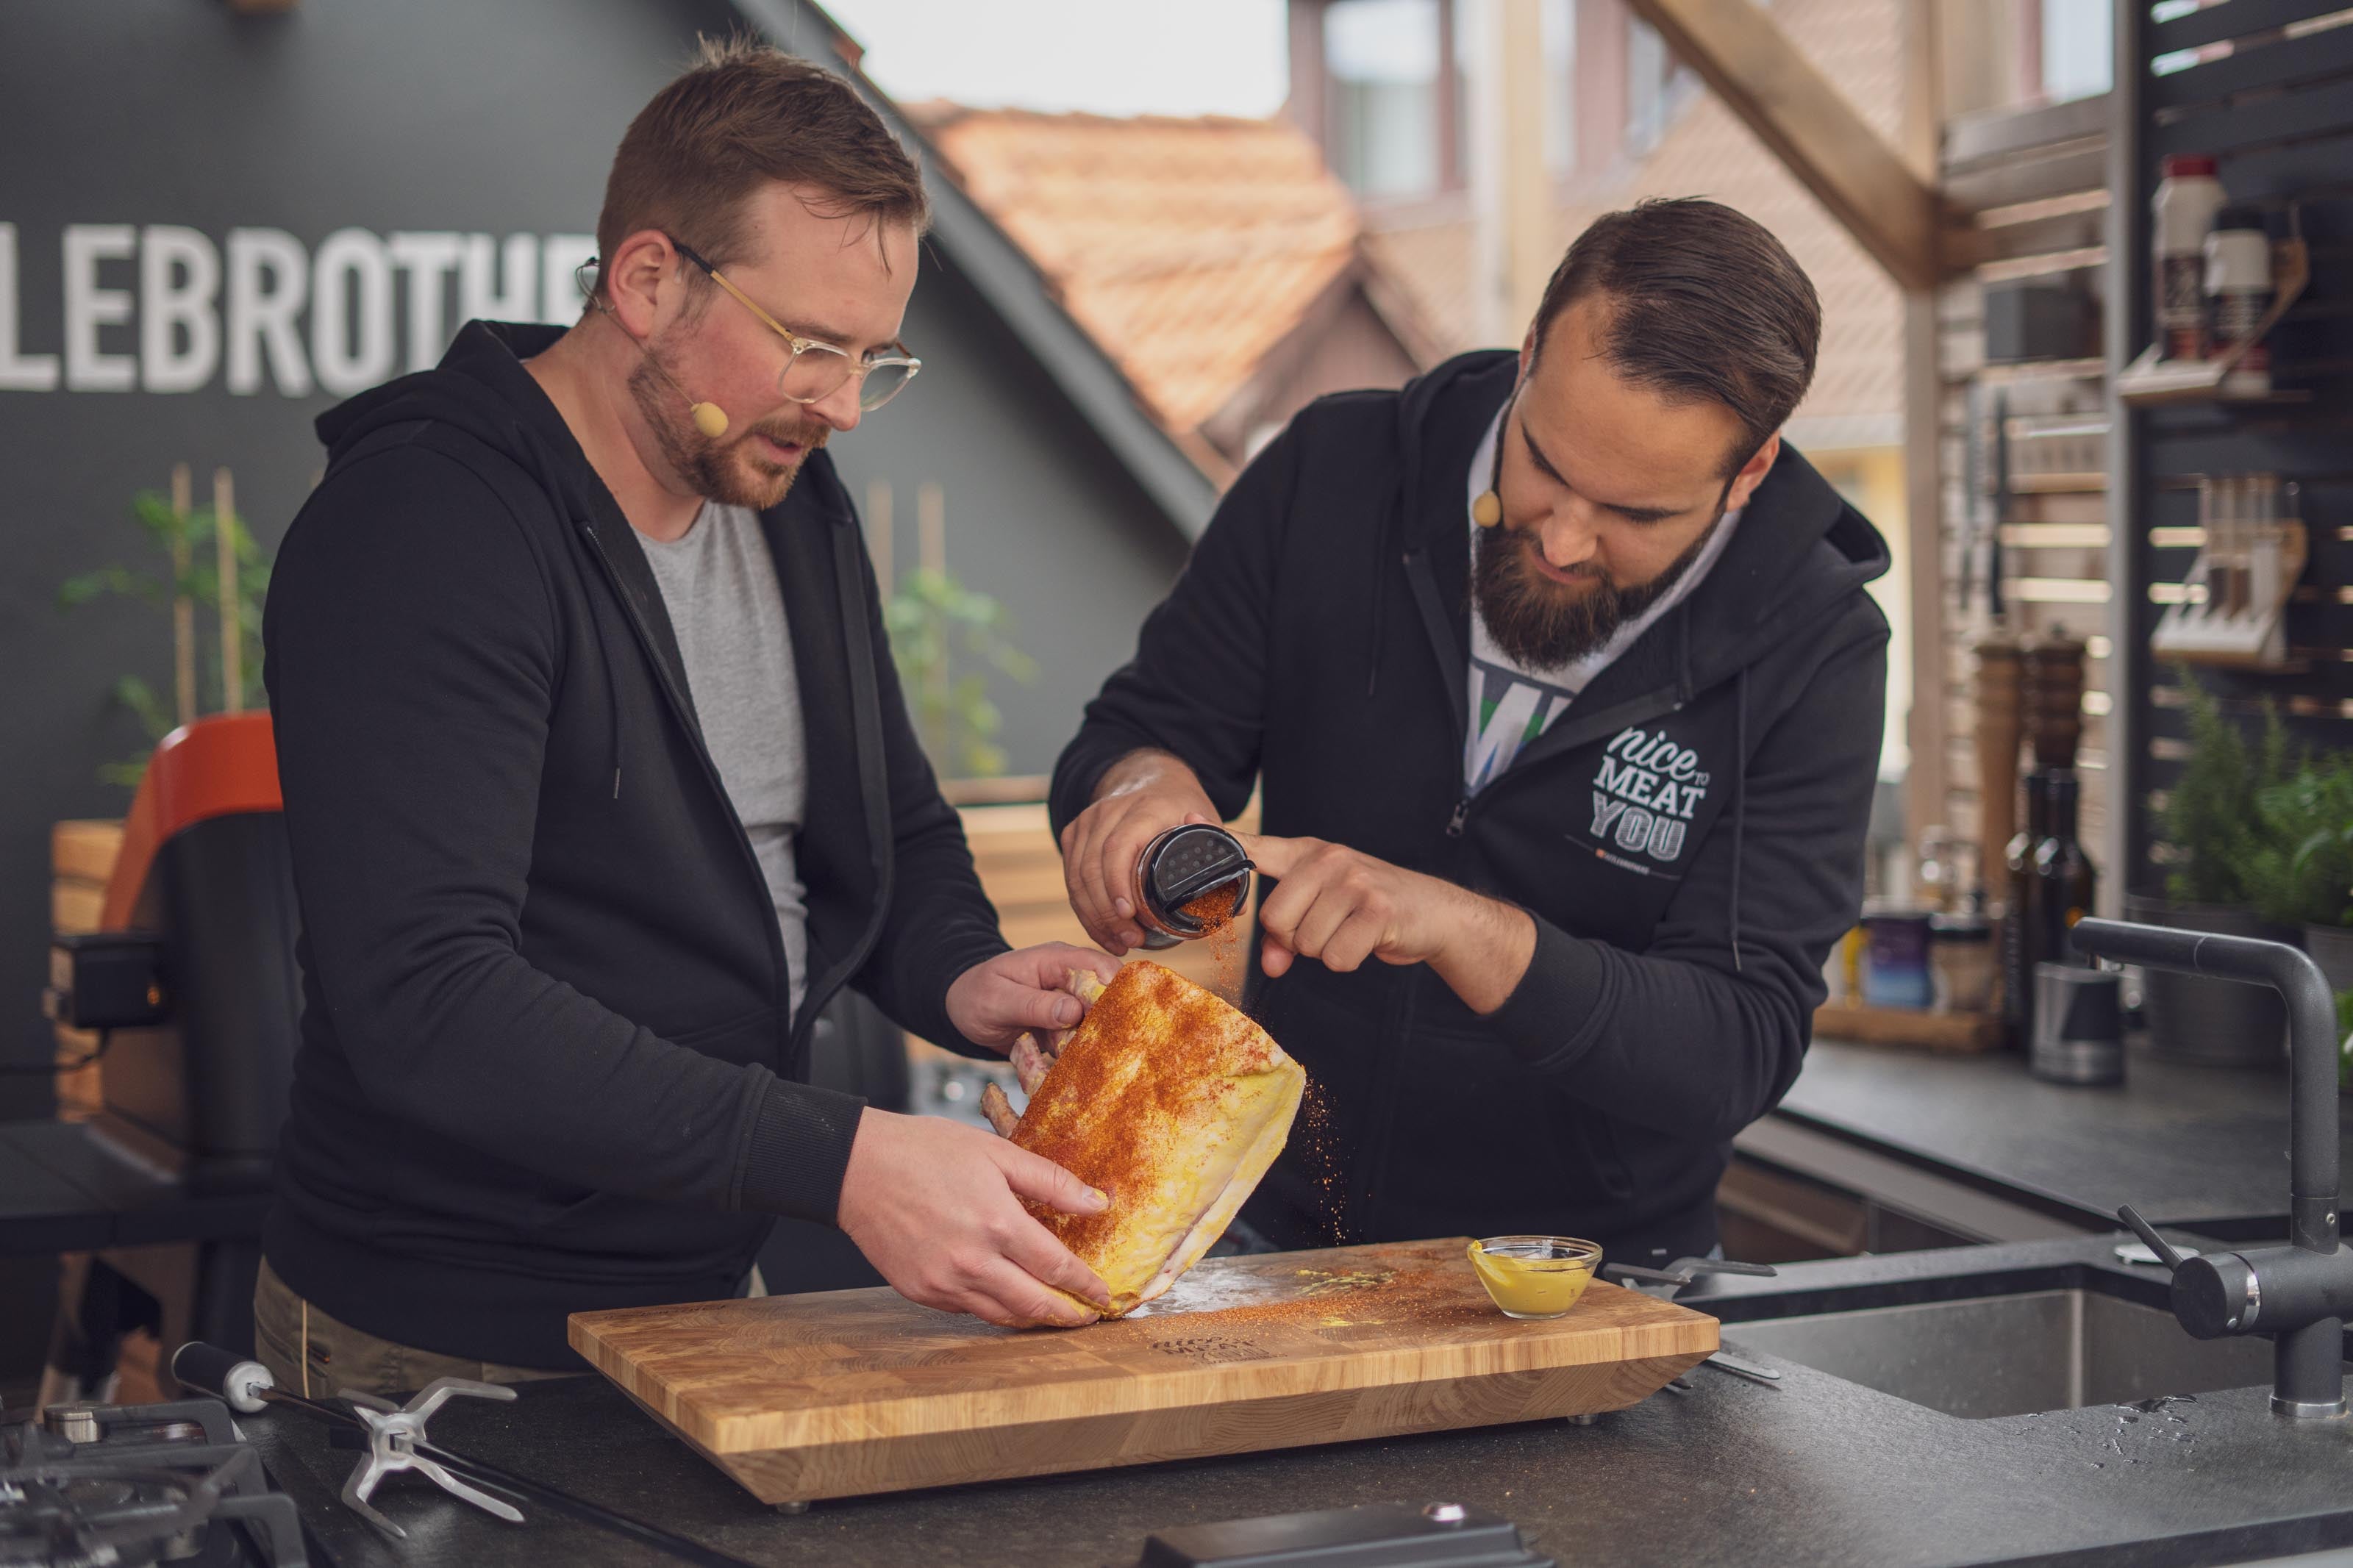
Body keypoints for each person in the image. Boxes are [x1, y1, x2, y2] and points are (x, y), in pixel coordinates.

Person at [257, 40, 1117, 1397]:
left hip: (704, 1292)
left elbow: (882, 824)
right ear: (650, 279)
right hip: (443, 1329)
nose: (842, 404)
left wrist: (961, 971)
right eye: (812, 347)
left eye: (872, 361)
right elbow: (428, 1001)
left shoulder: (783, 498)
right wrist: (841, 1159)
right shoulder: (426, 527)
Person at [1053, 199, 1889, 1268]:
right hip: (1273, 1237)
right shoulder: (1332, 474)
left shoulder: (1814, 645)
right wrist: (1139, 797)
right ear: (1530, 352)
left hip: (1592, 1278)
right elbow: (1140, 733)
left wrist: (1458, 926)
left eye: (1638, 515)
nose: (1566, 538)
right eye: (1545, 463)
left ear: (1752, 471)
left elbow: (1733, 1043)